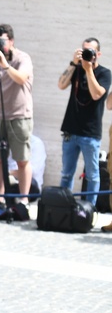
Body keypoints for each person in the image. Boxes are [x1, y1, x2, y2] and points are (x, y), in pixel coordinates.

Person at [0, 24, 33, 205]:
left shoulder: (22, 58)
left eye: (2, 41)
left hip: (20, 115)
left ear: (11, 41)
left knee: (22, 160)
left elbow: (21, 78)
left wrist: (5, 65)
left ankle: (23, 200)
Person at [57, 37, 110, 206]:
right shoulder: (77, 69)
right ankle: (63, 207)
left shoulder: (104, 73)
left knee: (93, 175)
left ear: (98, 54)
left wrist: (88, 70)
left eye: (91, 51)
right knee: (66, 173)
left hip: (90, 134)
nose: (87, 54)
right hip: (70, 130)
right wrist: (73, 64)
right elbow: (61, 85)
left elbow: (97, 95)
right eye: (84, 50)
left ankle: (89, 210)